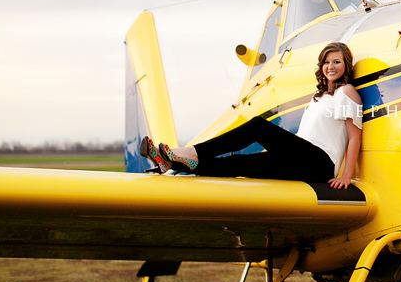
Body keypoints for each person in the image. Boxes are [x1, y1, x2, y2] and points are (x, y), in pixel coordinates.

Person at [140, 42, 362, 189]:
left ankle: (192, 151)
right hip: (300, 161)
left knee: (258, 126)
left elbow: (354, 136)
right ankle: (172, 164)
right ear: (321, 66)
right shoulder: (318, 97)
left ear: (346, 65)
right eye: (326, 62)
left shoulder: (346, 92)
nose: (330, 66)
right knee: (239, 164)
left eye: (336, 62)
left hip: (320, 163)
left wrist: (346, 176)